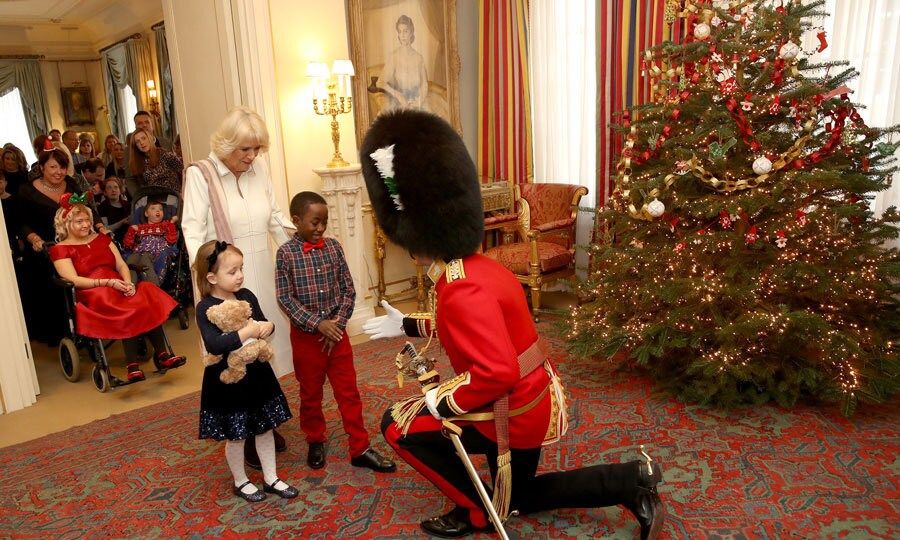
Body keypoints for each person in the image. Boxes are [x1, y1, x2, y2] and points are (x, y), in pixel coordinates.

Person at [360, 110, 666, 539]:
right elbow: (475, 329)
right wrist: (409, 325)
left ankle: (474, 513)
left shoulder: (459, 287)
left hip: (510, 409)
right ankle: (629, 481)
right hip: (533, 395)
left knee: (397, 425)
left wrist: (438, 404)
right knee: (518, 497)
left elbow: (494, 370)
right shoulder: (479, 268)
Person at [182, 106, 295, 467]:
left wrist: (298, 248)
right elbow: (193, 232)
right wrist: (206, 284)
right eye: (245, 150)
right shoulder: (201, 174)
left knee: (262, 343)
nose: (252, 157)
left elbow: (276, 216)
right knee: (234, 352)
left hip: (260, 268)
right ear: (226, 144)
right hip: (225, 281)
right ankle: (242, 429)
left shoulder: (259, 169)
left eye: (257, 149)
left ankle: (264, 416)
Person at [275, 191, 396, 473]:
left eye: (324, 222)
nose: (320, 228)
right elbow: (285, 298)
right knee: (310, 394)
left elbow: (348, 289)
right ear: (296, 220)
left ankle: (360, 447)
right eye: (314, 222)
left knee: (349, 392)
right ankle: (315, 439)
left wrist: (337, 325)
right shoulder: (285, 254)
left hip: (337, 337)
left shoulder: (334, 247)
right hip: (307, 339)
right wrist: (318, 324)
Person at [194, 239, 297, 503]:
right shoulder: (205, 307)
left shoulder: (247, 295)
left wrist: (268, 327)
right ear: (212, 277)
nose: (240, 275)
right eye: (232, 271)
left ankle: (271, 477)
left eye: (241, 268)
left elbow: (263, 321)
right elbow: (214, 343)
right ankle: (241, 481)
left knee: (264, 428)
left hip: (257, 374)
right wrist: (247, 332)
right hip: (229, 380)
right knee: (236, 434)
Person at [49, 193, 186, 382]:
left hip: (118, 283)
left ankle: (163, 355)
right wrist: (106, 283)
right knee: (126, 305)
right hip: (91, 291)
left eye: (87, 220)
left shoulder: (102, 239)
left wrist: (128, 282)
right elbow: (73, 279)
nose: (86, 225)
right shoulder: (60, 249)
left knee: (146, 295)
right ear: (65, 224)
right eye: (79, 221)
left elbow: (121, 264)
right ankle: (132, 365)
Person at [17, 147, 103, 345]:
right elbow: (21, 222)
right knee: (54, 287)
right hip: (44, 248)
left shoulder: (71, 183)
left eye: (62, 167)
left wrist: (99, 226)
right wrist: (34, 239)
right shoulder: (27, 190)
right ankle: (62, 334)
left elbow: (87, 209)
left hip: (74, 244)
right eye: (53, 167)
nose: (58, 172)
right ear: (41, 167)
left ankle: (89, 326)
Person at [377, 15, 429, 112]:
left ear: (411, 32)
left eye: (405, 31)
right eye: (400, 31)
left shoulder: (419, 58)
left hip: (417, 103)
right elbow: (380, 82)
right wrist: (398, 95)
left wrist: (418, 101)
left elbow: (425, 85)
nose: (403, 35)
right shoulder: (394, 57)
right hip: (399, 103)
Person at [123, 199, 177, 286]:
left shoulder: (165, 225)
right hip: (139, 250)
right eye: (153, 208)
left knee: (145, 258)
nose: (158, 210)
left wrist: (171, 223)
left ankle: (154, 286)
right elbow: (128, 245)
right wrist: (131, 231)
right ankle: (130, 285)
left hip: (156, 250)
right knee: (131, 260)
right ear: (146, 214)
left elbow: (172, 240)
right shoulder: (139, 228)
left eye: (160, 209)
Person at [128, 128, 183, 194]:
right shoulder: (137, 163)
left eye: (144, 138)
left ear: (149, 139)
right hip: (154, 198)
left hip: (172, 195)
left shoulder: (162, 153)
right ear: (135, 146)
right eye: (137, 142)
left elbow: (182, 169)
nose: (141, 143)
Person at [97, 177, 130, 244]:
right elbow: (106, 229)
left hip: (129, 237)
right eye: (109, 188)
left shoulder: (128, 205)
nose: (113, 190)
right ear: (105, 192)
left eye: (116, 187)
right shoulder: (102, 207)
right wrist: (122, 222)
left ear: (120, 191)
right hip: (112, 240)